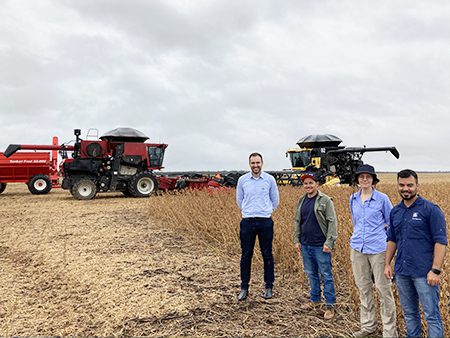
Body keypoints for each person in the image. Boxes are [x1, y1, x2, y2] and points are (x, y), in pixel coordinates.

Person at [385, 169, 447, 338]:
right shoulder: (395, 212)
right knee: (410, 315)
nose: (406, 189)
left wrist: (435, 270)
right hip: (402, 272)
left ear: (417, 186)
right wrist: (387, 264)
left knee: (432, 316)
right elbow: (392, 240)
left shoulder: (430, 210)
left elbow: (440, 242)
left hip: (424, 273)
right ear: (398, 185)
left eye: (410, 185)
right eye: (402, 185)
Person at [349, 164, 398, 338]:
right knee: (364, 289)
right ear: (357, 180)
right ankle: (368, 326)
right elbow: (356, 222)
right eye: (361, 177)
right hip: (358, 248)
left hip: (378, 249)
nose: (364, 179)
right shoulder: (353, 199)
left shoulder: (382, 199)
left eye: (368, 177)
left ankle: (389, 332)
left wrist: (382, 238)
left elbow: (391, 223)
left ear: (373, 180)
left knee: (384, 290)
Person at [236, 152, 279, 301]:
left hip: (265, 221)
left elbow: (275, 201)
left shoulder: (269, 180)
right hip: (247, 221)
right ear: (249, 164)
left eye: (258, 163)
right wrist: (249, 211)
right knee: (246, 255)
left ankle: (268, 287)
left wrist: (264, 211)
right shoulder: (242, 180)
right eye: (253, 163)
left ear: (262, 163)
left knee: (267, 255)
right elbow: (239, 200)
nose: (255, 165)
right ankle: (244, 288)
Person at [294, 173, 337, 320]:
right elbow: (297, 221)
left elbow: (332, 222)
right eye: (305, 183)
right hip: (306, 244)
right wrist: (297, 239)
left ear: (317, 184)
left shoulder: (325, 200)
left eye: (311, 183)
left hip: (321, 245)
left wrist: (329, 243)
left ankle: (330, 305)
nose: (308, 186)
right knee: (311, 274)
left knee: (326, 275)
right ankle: (315, 300)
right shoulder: (301, 200)